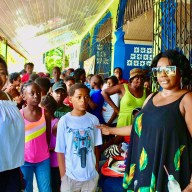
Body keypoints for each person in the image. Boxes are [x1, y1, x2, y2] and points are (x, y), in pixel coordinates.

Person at [98, 50, 192, 191]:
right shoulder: (150, 98)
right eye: (158, 70)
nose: (163, 74)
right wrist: (110, 129)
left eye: (169, 69)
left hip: (170, 174)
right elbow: (138, 127)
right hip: (145, 169)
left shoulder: (187, 99)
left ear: (181, 72)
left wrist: (191, 184)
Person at [55, 83, 102, 192]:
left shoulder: (93, 120)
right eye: (79, 97)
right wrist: (63, 177)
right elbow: (60, 151)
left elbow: (96, 148)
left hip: (91, 177)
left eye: (86, 97)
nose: (83, 100)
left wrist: (95, 172)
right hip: (70, 177)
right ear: (70, 99)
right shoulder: (64, 121)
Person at [102, 68, 149, 143]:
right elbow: (104, 93)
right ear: (131, 79)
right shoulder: (123, 87)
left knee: (135, 145)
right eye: (137, 78)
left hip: (138, 121)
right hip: (124, 121)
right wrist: (116, 109)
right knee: (119, 144)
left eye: (142, 78)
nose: (140, 80)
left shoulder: (145, 91)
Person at [20, 81, 52, 192]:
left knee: (46, 189)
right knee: (27, 189)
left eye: (38, 93)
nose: (36, 96)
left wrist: (43, 150)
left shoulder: (46, 114)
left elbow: (48, 137)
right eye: (32, 93)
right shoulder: (20, 115)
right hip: (24, 160)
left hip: (43, 160)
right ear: (24, 96)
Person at [0, 57, 25, 191]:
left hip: (12, 169)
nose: (0, 77)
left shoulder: (8, 97)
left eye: (2, 72)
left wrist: (17, 168)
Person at [41, 94, 60, 192]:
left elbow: (62, 145)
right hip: (47, 162)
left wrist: (48, 149)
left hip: (56, 162)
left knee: (56, 186)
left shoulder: (56, 124)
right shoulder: (43, 123)